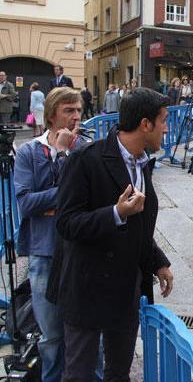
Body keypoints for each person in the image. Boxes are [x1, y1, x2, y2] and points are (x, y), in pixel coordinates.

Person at [55, 87, 174, 381]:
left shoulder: (143, 163)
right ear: (145, 124)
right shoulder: (86, 158)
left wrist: (157, 261)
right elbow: (67, 223)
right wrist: (116, 213)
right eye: (163, 120)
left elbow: (139, 226)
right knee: (80, 374)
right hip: (86, 288)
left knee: (118, 374)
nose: (166, 128)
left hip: (124, 290)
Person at [14, 87, 91, 382]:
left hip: (80, 251)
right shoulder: (30, 152)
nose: (75, 117)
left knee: (84, 331)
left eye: (78, 110)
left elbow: (90, 201)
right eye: (68, 111)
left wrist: (54, 203)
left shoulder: (86, 149)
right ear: (51, 115)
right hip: (44, 252)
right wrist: (59, 156)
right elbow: (26, 203)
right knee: (52, 335)